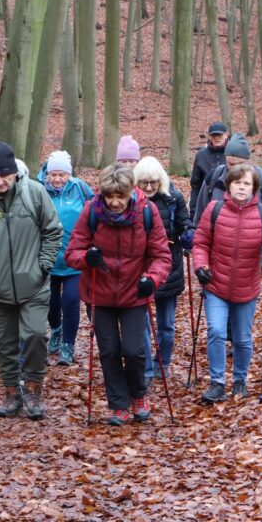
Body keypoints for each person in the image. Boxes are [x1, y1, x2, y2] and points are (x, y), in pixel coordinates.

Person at [0, 142, 62, 420]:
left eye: (5, 175)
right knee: (4, 343)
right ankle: (11, 393)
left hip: (34, 285)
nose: (0, 181)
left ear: (15, 172)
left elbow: (53, 232)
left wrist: (43, 265)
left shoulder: (35, 194)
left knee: (36, 335)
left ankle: (33, 388)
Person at [65, 164, 171, 426]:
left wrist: (152, 279)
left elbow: (161, 255)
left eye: (120, 197)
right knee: (109, 351)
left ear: (130, 193)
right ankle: (118, 404)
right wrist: (87, 258)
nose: (114, 203)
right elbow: (72, 253)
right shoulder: (92, 210)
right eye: (109, 197)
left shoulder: (147, 211)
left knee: (134, 351)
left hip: (134, 292)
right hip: (99, 295)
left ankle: (138, 395)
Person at [192, 163, 262, 404]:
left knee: (243, 338)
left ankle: (240, 380)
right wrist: (200, 267)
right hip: (217, 284)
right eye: (237, 183)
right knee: (215, 331)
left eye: (246, 184)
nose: (241, 188)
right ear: (229, 185)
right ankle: (217, 383)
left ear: (254, 188)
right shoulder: (214, 209)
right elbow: (201, 242)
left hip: (248, 286)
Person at [133, 156, 193, 386]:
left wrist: (188, 234)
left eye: (154, 183)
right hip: (141, 269)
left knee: (166, 325)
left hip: (169, 267)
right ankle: (146, 368)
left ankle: (162, 363)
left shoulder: (173, 198)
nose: (149, 187)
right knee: (143, 324)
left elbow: (184, 222)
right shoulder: (131, 200)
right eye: (144, 182)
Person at [37, 150, 94, 366]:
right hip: (48, 260)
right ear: (47, 174)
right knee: (51, 304)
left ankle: (68, 346)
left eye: (62, 175)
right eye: (54, 175)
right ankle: (56, 330)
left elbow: (94, 211)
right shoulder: (39, 190)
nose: (58, 179)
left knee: (70, 302)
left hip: (75, 260)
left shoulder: (80, 188)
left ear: (69, 174)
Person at [192, 132, 262, 230]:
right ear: (226, 159)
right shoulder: (213, 178)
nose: (235, 168)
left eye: (240, 164)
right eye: (231, 164)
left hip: (255, 241)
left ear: (248, 161)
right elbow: (200, 215)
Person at [189, 121, 229, 218]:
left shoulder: (233, 154)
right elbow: (196, 185)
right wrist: (194, 210)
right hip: (206, 204)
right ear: (209, 136)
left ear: (226, 135)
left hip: (230, 205)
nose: (216, 138)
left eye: (219, 135)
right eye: (213, 135)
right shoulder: (201, 155)